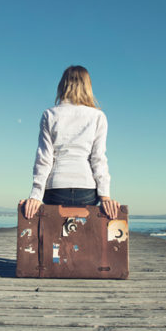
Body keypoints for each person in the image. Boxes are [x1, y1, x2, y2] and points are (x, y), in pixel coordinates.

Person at [21, 65, 120, 219]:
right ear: (88, 87)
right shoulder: (98, 116)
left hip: (55, 188)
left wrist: (35, 195)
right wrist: (105, 196)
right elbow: (98, 158)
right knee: (83, 237)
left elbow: (44, 158)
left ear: (62, 85)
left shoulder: (49, 115)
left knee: (54, 238)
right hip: (86, 190)